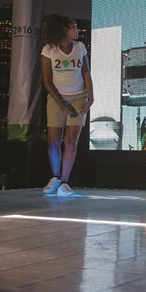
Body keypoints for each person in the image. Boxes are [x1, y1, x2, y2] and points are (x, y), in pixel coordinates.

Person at [40, 15, 93, 197]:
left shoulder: (80, 47)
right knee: (54, 142)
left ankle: (64, 182)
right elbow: (47, 80)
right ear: (64, 30)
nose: (77, 31)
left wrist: (90, 98)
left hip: (78, 97)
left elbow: (86, 72)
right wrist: (61, 103)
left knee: (71, 141)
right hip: (56, 98)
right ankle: (54, 177)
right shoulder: (49, 50)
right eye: (74, 27)